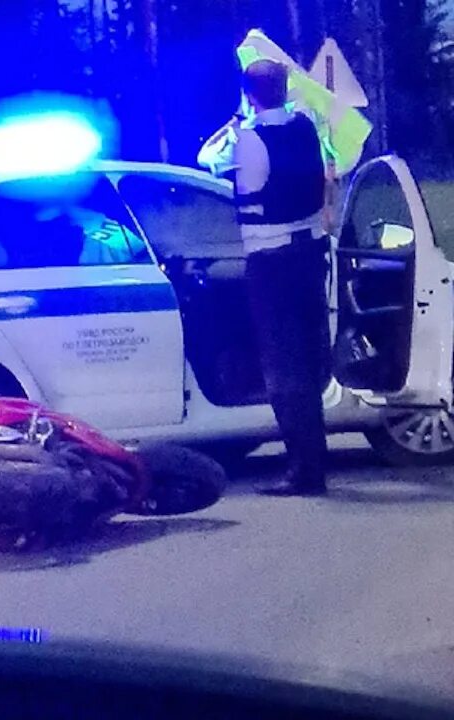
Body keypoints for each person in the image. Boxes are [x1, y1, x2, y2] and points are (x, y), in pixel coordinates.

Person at [198, 59, 330, 496]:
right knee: (308, 363)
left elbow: (207, 160)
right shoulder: (306, 128)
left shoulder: (249, 139)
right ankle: (314, 463)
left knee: (283, 368)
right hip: (310, 256)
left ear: (248, 93)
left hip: (271, 264)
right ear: (286, 87)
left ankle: (303, 471)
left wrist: (238, 118)